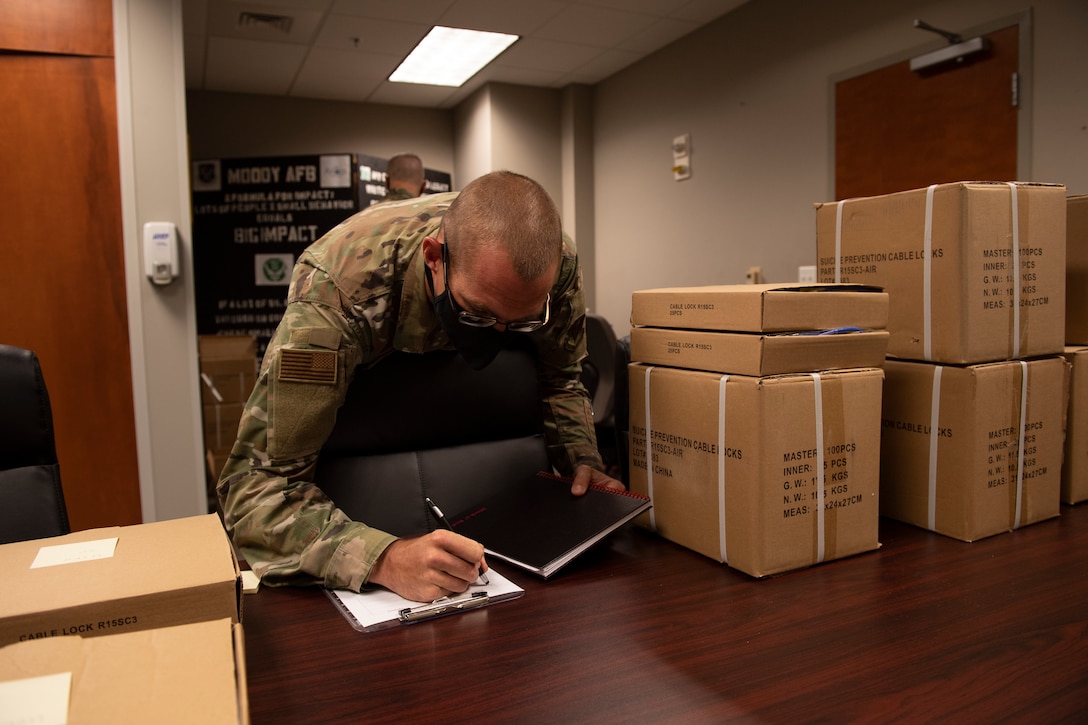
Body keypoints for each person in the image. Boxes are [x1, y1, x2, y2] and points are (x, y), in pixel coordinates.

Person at [217, 170, 623, 603]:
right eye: (479, 314)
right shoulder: (335, 295)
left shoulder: (552, 265)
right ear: (434, 258)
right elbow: (256, 488)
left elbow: (561, 377)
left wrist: (583, 459)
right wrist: (382, 559)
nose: (501, 335)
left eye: (521, 323)